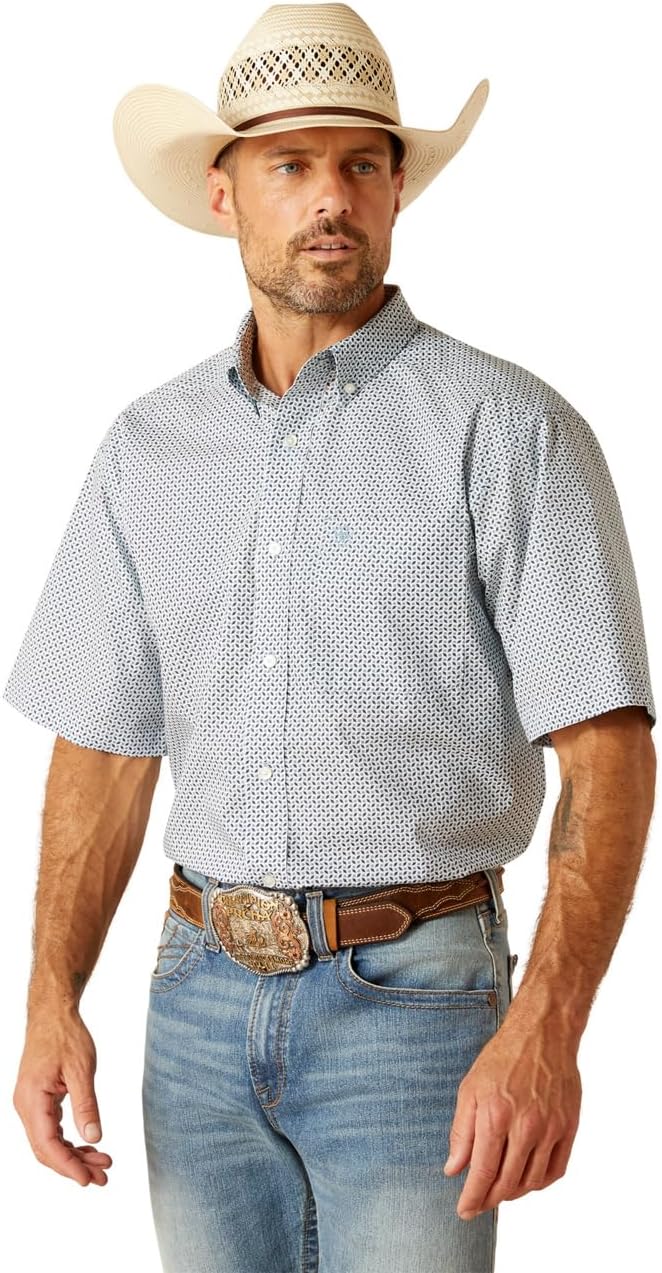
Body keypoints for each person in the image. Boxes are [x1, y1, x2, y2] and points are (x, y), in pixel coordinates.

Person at [4, 4, 656, 1271]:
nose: (329, 200)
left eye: (361, 164)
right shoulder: (146, 449)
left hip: (417, 1006)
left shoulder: (506, 430)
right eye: (290, 164)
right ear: (221, 193)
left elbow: (607, 754)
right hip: (193, 1006)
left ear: (397, 188)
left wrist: (546, 1026)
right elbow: (103, 751)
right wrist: (48, 998)